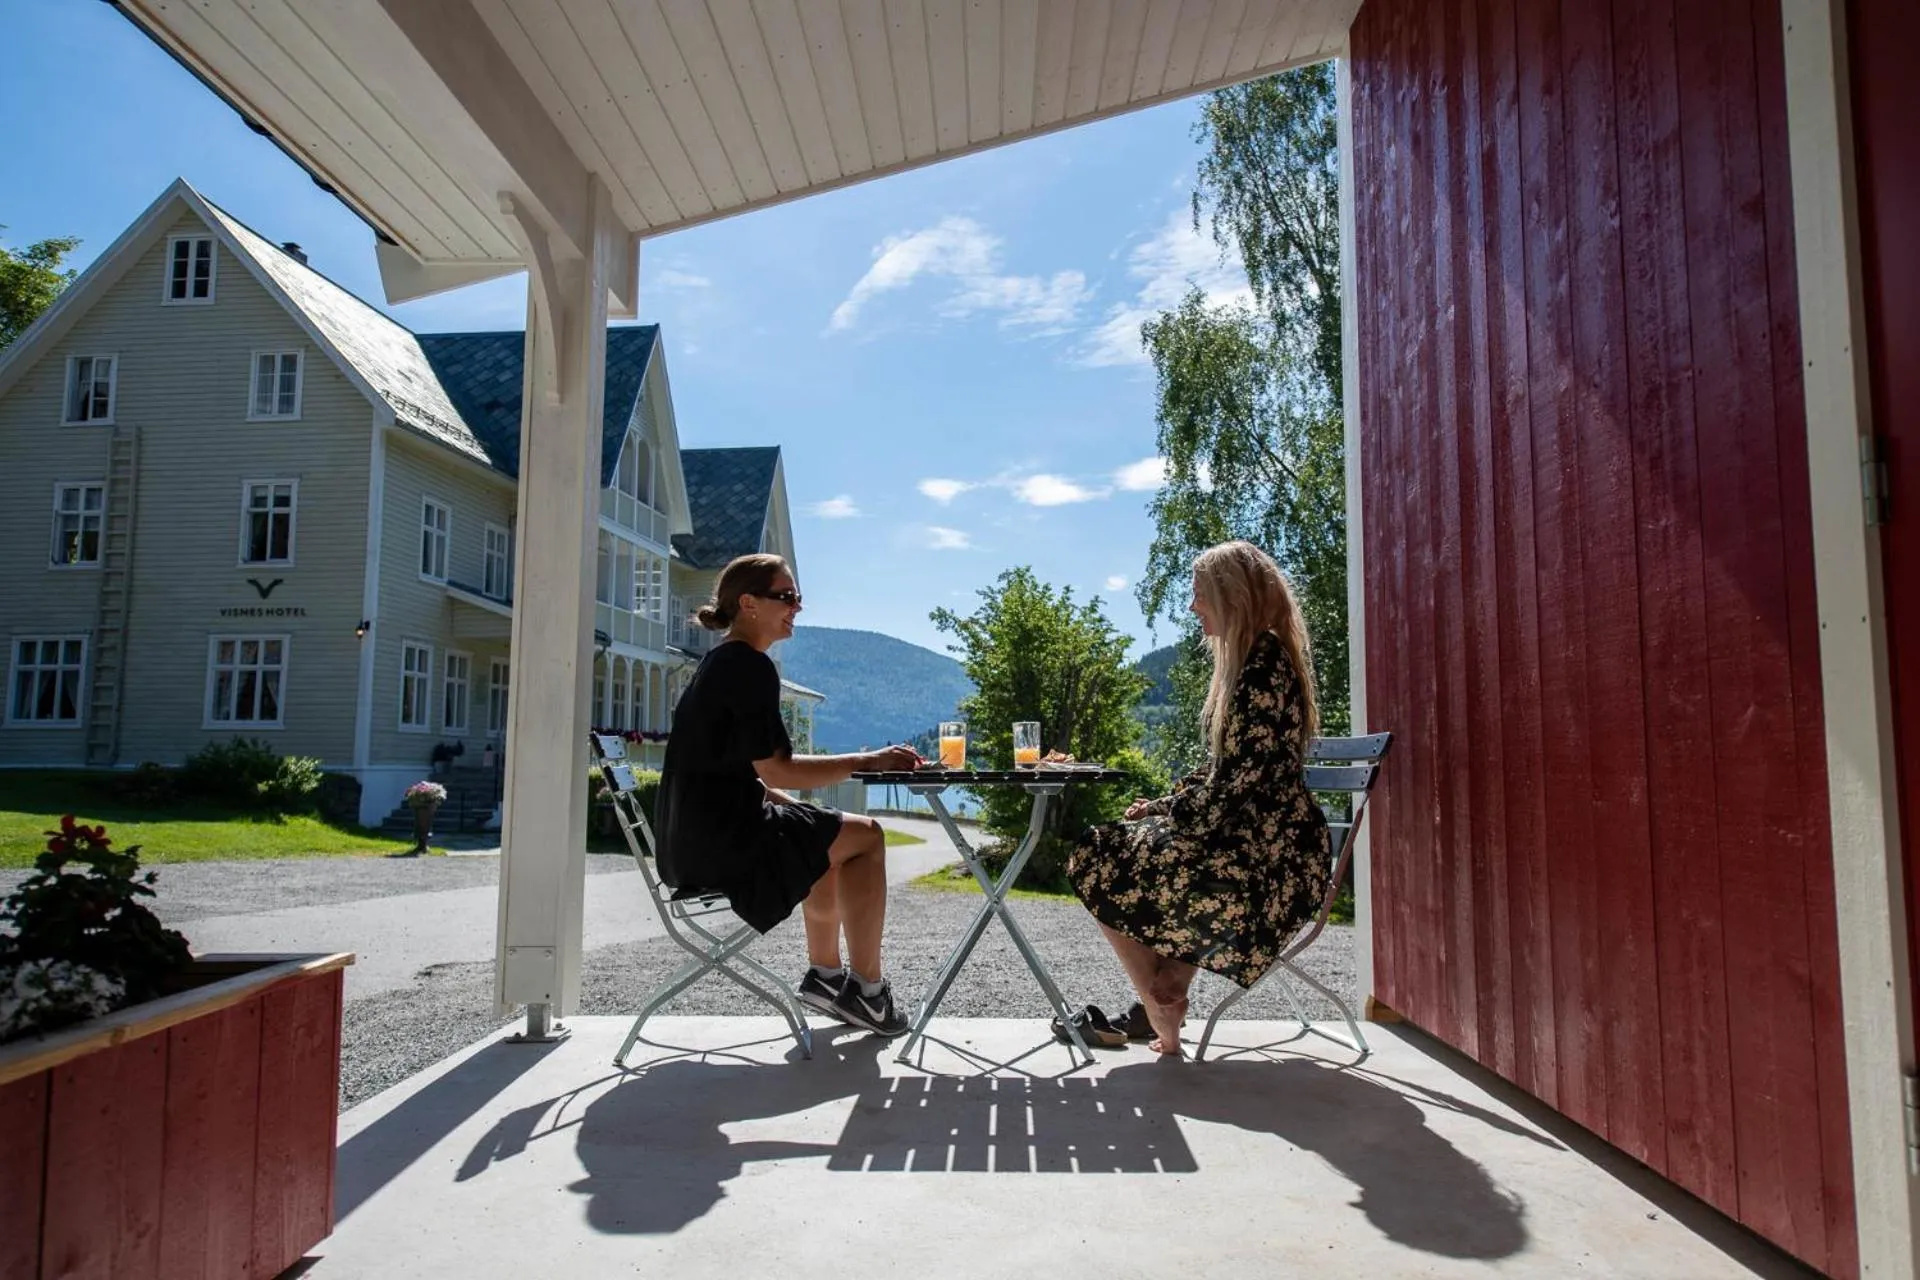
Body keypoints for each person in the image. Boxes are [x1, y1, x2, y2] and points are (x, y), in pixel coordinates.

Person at [1066, 540, 1331, 1056]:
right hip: (1255, 837)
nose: (1193, 607)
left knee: (1096, 853)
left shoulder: (1262, 667)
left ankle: (1158, 1002)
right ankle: (1164, 989)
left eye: (1200, 595)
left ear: (1233, 597)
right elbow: (1227, 773)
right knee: (1123, 846)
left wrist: (1172, 813)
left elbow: (1236, 783)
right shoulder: (1259, 660)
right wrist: (1164, 806)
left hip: (1272, 858)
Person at [653, 553, 921, 1036]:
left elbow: (739, 773)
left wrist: (799, 808)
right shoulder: (748, 666)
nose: (797, 607)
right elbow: (778, 768)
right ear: (749, 603)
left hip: (687, 848)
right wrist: (868, 760)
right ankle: (868, 993)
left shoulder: (719, 663)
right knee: (868, 837)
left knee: (824, 834)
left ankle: (826, 977)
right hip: (723, 847)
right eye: (788, 596)